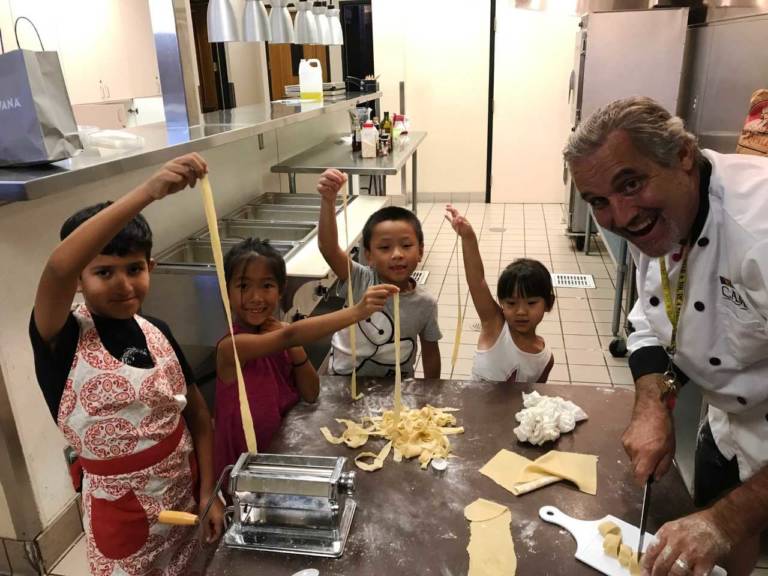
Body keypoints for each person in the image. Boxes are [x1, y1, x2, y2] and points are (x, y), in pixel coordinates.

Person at [564, 96, 768, 576]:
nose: (620, 215)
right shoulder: (660, 219)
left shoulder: (758, 232)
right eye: (598, 201)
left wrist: (727, 519)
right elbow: (650, 317)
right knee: (715, 544)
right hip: (731, 423)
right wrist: (652, 404)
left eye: (630, 183)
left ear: (682, 156)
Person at [29, 153, 223, 575]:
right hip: (122, 518)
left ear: (150, 267)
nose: (123, 283)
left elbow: (200, 417)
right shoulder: (61, 339)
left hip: (183, 494)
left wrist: (209, 490)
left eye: (134, 268)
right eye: (104, 271)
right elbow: (58, 266)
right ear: (80, 279)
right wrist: (148, 193)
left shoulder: (158, 330)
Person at [214, 237, 398, 478]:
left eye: (266, 286)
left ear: (280, 291)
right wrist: (357, 311)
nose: (255, 297)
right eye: (243, 286)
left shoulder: (280, 335)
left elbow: (311, 393)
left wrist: (296, 348)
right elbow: (290, 334)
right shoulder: (233, 347)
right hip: (241, 466)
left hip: (279, 455)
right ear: (227, 291)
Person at [316, 169, 442, 378]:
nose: (397, 255)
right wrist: (328, 202)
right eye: (384, 248)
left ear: (420, 251)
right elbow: (328, 248)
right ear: (369, 256)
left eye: (406, 245)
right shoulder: (359, 279)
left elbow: (430, 352)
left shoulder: (425, 303)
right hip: (342, 385)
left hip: (397, 391)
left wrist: (432, 394)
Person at [445, 206, 555, 383]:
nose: (521, 311)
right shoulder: (495, 326)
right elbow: (477, 281)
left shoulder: (545, 359)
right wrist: (468, 238)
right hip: (475, 409)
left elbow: (536, 400)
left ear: (549, 303)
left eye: (531, 303)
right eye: (511, 303)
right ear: (502, 304)